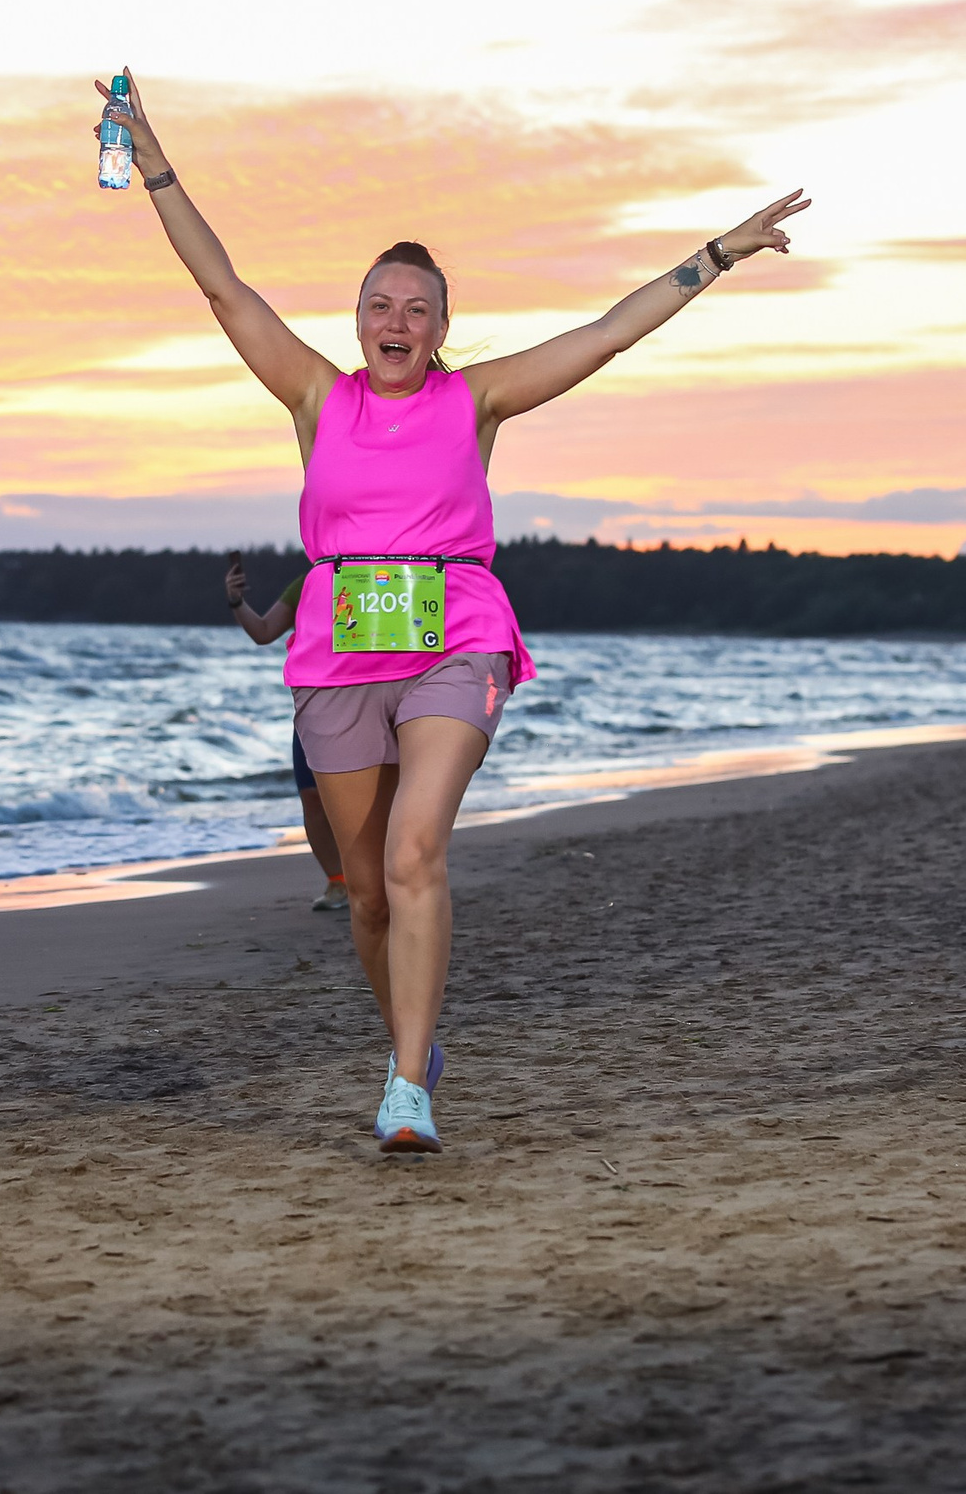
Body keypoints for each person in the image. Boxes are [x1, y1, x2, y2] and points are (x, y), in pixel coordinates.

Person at [104, 67, 806, 1154]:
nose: (396, 321)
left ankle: (405, 1091)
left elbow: (609, 332)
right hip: (339, 649)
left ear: (441, 329)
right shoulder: (311, 394)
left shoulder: (474, 398)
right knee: (368, 896)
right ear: (358, 319)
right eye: (379, 305)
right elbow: (224, 289)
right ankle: (410, 1046)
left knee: (415, 852)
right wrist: (154, 165)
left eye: (416, 309)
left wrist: (715, 254)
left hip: (455, 635)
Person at [225, 552, 349, 912]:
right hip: (314, 704)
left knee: (365, 797)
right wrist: (235, 600)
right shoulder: (309, 582)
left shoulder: (376, 575)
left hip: (364, 699)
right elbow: (264, 632)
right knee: (312, 796)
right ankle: (338, 882)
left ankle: (380, 878)